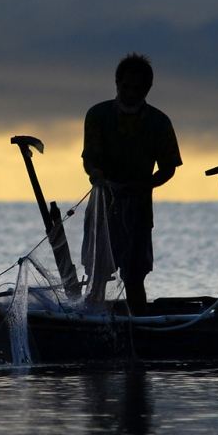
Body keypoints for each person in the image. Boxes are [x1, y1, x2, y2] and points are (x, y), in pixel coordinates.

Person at [82, 53, 181, 315]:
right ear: (117, 83)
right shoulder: (97, 115)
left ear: (147, 89)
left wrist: (141, 186)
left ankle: (139, 326)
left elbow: (168, 168)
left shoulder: (159, 123)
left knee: (135, 277)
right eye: (126, 86)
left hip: (139, 207)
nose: (130, 93)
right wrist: (99, 178)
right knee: (98, 274)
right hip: (103, 204)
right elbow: (89, 160)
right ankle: (94, 321)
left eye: (137, 88)